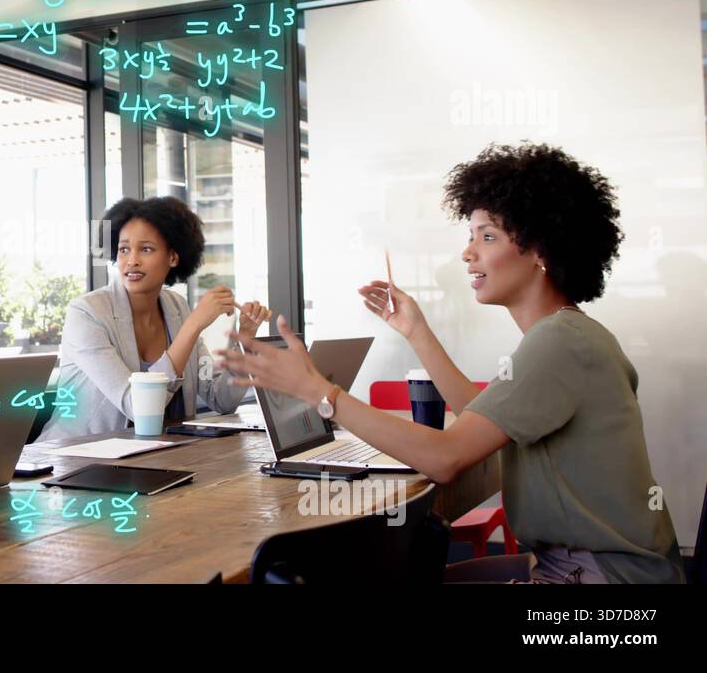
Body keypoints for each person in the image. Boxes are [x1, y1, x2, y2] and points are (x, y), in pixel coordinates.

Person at [218, 143, 684, 583]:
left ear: (540, 250)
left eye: (488, 236)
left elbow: (445, 459)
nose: (468, 252)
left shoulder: (560, 343)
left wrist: (320, 393)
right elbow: (481, 412)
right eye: (471, 236)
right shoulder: (568, 333)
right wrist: (417, 330)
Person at [39, 196, 271, 441]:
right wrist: (193, 326)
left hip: (155, 460)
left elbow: (221, 399)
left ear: (173, 257)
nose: (132, 260)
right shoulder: (86, 313)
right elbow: (137, 407)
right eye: (124, 249)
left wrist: (245, 340)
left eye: (146, 249)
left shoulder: (177, 308)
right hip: (74, 460)